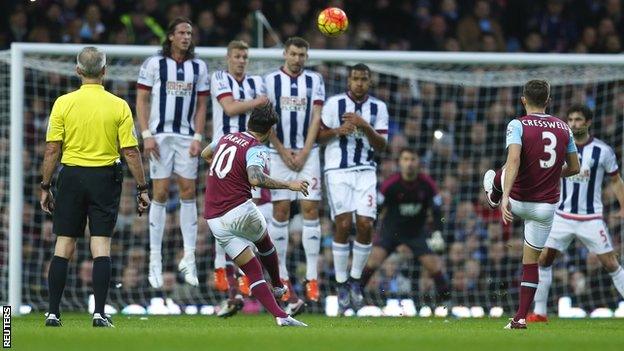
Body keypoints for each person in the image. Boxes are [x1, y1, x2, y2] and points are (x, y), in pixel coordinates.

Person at [41, 47, 150, 327]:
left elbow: (53, 148)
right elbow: (131, 152)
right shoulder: (118, 105)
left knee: (64, 244)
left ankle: (53, 313)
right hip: (104, 179)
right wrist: (142, 188)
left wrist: (45, 185)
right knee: (101, 245)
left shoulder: (63, 103)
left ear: (78, 71)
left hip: (72, 176)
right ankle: (99, 313)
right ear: (104, 71)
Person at [483, 79, 580, 329]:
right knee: (530, 262)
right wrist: (550, 173)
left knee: (498, 172)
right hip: (545, 208)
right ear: (548, 101)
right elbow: (575, 168)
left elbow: (514, 160)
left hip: (516, 201)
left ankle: (492, 195)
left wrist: (504, 196)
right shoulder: (564, 127)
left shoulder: (517, 124)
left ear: (523, 99)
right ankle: (520, 318)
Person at [201, 102, 308, 327]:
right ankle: (279, 285)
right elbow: (255, 179)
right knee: (264, 243)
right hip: (239, 210)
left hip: (213, 218)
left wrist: (225, 173)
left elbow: (204, 153)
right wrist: (290, 185)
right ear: (269, 131)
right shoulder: (257, 147)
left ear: (249, 122)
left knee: (252, 271)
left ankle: (281, 316)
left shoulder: (225, 137)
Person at [527, 104, 624, 322]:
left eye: (578, 119)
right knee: (543, 259)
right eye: (570, 119)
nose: (573, 123)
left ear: (588, 122)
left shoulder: (603, 151)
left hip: (591, 219)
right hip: (561, 216)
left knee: (611, 263)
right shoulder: (558, 147)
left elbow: (616, 180)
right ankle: (540, 312)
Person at [136, 17, 209, 289]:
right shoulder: (154, 64)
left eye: (189, 33)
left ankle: (188, 258)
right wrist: (146, 135)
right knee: (160, 193)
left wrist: (199, 137)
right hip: (159, 136)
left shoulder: (199, 67)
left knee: (189, 192)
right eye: (181, 32)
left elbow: (202, 105)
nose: (186, 37)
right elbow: (141, 100)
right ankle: (155, 260)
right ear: (170, 36)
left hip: (187, 136)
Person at [317, 63, 388, 312]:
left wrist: (363, 125)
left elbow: (382, 146)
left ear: (369, 81)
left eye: (363, 79)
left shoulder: (379, 108)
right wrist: (338, 130)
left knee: (366, 224)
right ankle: (340, 284)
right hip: (337, 171)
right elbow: (317, 137)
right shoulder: (333, 104)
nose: (359, 83)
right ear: (349, 81)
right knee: (344, 224)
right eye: (355, 78)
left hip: (366, 172)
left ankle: (356, 281)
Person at [209, 39, 269, 317]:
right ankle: (234, 290)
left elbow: (264, 118)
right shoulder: (219, 77)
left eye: (245, 56)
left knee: (256, 220)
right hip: (225, 154)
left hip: (252, 154)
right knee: (226, 222)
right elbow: (230, 109)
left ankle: (252, 287)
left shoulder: (256, 82)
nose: (241, 60)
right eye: (237, 55)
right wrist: (258, 102)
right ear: (228, 57)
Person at [264, 37, 325, 312]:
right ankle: (284, 277)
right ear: (285, 54)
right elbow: (267, 119)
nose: (298, 58)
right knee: (281, 212)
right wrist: (283, 149)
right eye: (294, 53)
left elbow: (316, 118)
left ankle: (312, 277)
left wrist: (304, 151)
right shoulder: (269, 80)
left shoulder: (315, 80)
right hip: (277, 153)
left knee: (311, 209)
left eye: (302, 54)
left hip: (308, 153)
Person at [359, 148, 450, 305]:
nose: (409, 163)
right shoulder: (390, 184)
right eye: (406, 159)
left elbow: (437, 212)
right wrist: (370, 230)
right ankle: (355, 296)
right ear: (400, 162)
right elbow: (377, 209)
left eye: (412, 159)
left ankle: (447, 303)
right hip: (391, 232)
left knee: (434, 266)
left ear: (418, 162)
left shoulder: (427, 184)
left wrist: (437, 232)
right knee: (373, 261)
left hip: (416, 233)